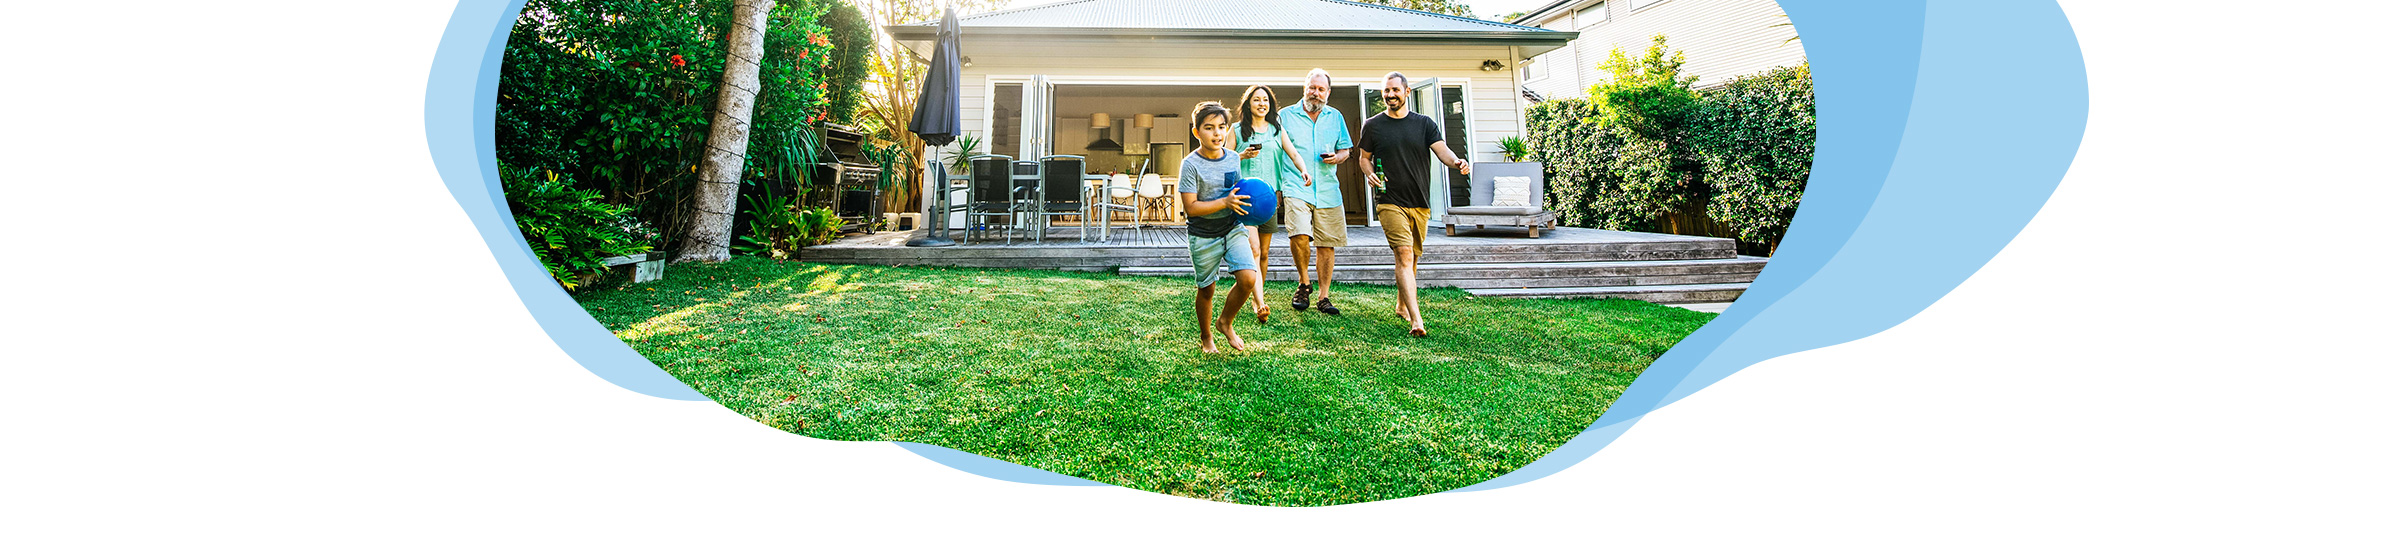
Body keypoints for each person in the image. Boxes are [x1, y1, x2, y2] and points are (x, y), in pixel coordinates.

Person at [1357, 71, 1469, 338]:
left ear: (1407, 92)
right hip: (1388, 200)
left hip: (1419, 201)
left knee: (1413, 257)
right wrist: (1368, 172)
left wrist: (1457, 162)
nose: (1390, 95)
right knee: (1405, 254)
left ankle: (1400, 304)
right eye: (1386, 91)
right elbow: (1364, 157)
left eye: (1395, 90)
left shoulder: (1424, 124)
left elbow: (1442, 150)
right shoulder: (1372, 125)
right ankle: (1416, 319)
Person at [1178, 101, 1260, 353]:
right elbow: (1191, 207)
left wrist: (1252, 207)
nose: (1217, 133)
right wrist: (1224, 201)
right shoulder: (1190, 165)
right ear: (1196, 132)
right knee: (1207, 289)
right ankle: (1206, 336)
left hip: (1232, 227)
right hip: (1203, 234)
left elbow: (1238, 192)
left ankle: (1225, 322)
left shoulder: (1234, 158)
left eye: (1222, 127)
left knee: (1248, 278)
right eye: (1209, 128)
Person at [1275, 69, 1355, 316]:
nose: (1316, 93)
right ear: (1304, 88)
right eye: (1312, 87)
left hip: (1328, 189)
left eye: (1321, 89)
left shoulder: (1336, 117)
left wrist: (1337, 158)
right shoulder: (1285, 116)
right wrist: (1277, 186)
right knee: (1298, 233)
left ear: (1328, 92)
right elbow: (1276, 151)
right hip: (1295, 184)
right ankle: (1303, 282)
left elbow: (1346, 150)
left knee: (1326, 243)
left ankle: (1323, 296)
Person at [1234, 84, 1313, 324]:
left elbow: (1293, 153)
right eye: (1256, 100)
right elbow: (1222, 159)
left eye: (1265, 100)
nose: (1261, 104)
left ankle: (1257, 292)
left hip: (1269, 199)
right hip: (1245, 197)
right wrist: (1242, 155)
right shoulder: (1237, 130)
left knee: (1264, 253)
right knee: (1254, 249)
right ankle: (1259, 302)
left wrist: (1304, 170)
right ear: (1248, 104)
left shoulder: (1277, 130)